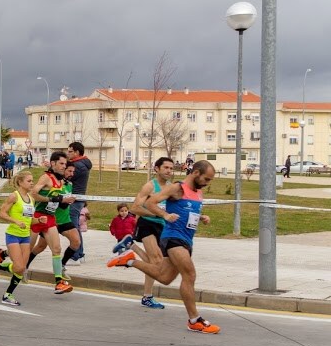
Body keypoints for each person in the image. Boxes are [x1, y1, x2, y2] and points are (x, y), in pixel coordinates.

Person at [108, 160, 220, 333]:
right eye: (207, 179)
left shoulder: (198, 193)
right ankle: (194, 320)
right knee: (189, 274)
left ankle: (130, 260)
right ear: (196, 173)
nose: (207, 183)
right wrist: (165, 215)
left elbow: (188, 212)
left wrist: (202, 217)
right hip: (173, 238)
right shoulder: (177, 188)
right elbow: (151, 202)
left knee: (165, 278)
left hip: (187, 240)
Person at [117, 157, 176, 309]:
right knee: (156, 261)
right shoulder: (149, 186)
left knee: (156, 263)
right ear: (157, 169)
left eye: (171, 168)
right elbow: (135, 208)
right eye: (166, 168)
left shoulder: (170, 187)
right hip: (147, 224)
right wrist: (155, 214)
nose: (169, 171)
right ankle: (147, 296)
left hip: (162, 226)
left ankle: (131, 248)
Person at [0, 171, 38, 306]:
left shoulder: (31, 198)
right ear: (20, 182)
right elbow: (2, 214)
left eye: (32, 181)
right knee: (18, 266)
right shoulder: (14, 196)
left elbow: (29, 219)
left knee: (21, 269)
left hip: (25, 236)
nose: (32, 183)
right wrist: (15, 221)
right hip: (13, 235)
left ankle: (8, 294)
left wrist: (39, 220)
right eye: (29, 181)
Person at [25, 152, 75, 293]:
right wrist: (53, 200)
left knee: (56, 249)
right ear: (53, 163)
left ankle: (59, 282)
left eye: (65, 164)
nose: (64, 167)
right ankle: (1, 257)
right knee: (25, 249)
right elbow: (33, 194)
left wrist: (64, 201)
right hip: (37, 216)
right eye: (61, 164)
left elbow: (58, 199)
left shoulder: (60, 181)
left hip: (50, 218)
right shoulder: (46, 177)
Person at [66, 142, 92, 263]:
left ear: (76, 152)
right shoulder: (82, 164)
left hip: (75, 199)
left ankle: (76, 255)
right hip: (77, 198)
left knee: (73, 228)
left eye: (70, 151)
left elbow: (66, 177)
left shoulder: (78, 166)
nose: (68, 153)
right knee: (74, 227)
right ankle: (79, 254)